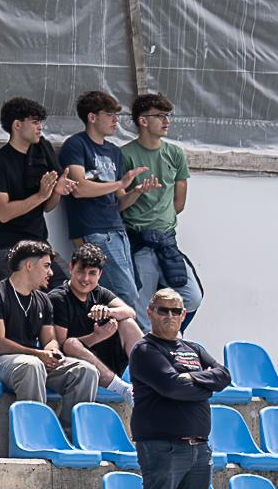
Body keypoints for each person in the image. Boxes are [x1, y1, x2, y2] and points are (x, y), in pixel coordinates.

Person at [128, 288, 224, 489]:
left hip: (199, 448)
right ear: (150, 312)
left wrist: (190, 380)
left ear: (184, 314)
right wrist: (203, 387)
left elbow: (223, 375)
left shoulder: (194, 349)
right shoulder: (145, 350)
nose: (170, 316)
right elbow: (171, 386)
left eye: (176, 311)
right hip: (162, 446)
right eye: (163, 310)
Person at [0, 241, 94, 410]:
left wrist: (52, 351)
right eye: (46, 266)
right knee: (32, 365)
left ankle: (70, 434)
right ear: (29, 265)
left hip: (33, 362)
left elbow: (49, 339)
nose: (51, 272)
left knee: (85, 371)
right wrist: (38, 354)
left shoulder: (43, 299)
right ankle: (34, 432)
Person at [54, 89, 144, 309]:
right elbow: (79, 188)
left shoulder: (115, 152)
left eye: (117, 115)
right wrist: (120, 184)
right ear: (92, 117)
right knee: (125, 294)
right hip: (92, 229)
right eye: (110, 114)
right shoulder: (76, 145)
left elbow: (119, 201)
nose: (116, 120)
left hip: (117, 230)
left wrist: (136, 191)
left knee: (120, 293)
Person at [121, 92, 199, 318]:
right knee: (141, 308)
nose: (167, 121)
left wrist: (162, 218)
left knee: (191, 297)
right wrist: (139, 195)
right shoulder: (125, 155)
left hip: (167, 240)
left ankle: (169, 339)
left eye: (168, 115)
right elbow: (118, 202)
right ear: (142, 121)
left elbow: (179, 202)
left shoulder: (174, 153)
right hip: (138, 240)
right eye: (160, 116)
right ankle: (146, 350)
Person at [0, 95, 61, 281]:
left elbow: (48, 207)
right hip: (9, 248)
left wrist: (57, 191)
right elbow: (3, 212)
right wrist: (41, 196)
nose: (40, 127)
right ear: (17, 125)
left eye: (40, 122)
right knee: (26, 305)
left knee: (65, 293)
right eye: (34, 122)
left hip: (40, 245)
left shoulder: (41, 154)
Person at [55, 243, 139, 404]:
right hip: (78, 367)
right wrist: (96, 336)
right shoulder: (58, 298)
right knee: (71, 343)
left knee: (127, 323)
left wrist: (108, 311)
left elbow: (131, 312)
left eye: (92, 273)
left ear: (99, 274)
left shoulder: (99, 292)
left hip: (107, 362)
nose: (85, 279)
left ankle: (149, 381)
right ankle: (123, 389)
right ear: (70, 268)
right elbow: (61, 346)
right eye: (80, 271)